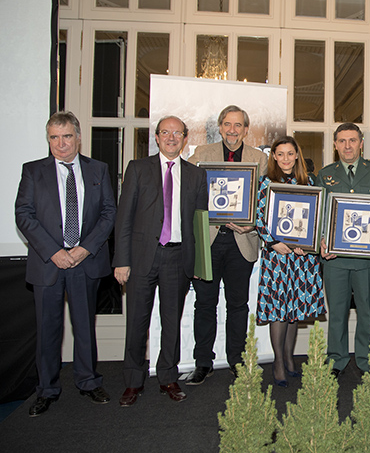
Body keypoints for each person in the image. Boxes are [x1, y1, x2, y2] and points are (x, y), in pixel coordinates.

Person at [15, 111, 116, 416]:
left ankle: (88, 381)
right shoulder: (33, 171)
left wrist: (84, 249)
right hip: (49, 263)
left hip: (85, 261)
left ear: (78, 137)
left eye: (67, 136)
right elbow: (24, 215)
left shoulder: (98, 169)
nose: (60, 144)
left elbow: (108, 213)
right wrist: (54, 252)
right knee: (48, 330)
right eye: (54, 138)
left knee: (85, 326)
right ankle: (46, 389)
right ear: (48, 140)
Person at [114, 115, 208, 406]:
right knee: (137, 322)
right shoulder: (138, 169)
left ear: (185, 138)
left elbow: (200, 223)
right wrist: (121, 260)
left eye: (177, 133)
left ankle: (168, 377)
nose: (171, 138)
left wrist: (199, 265)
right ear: (156, 137)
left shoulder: (195, 175)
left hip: (178, 257)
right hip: (142, 258)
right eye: (165, 132)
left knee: (172, 321)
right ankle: (133, 381)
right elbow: (124, 218)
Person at [186, 105, 268, 384]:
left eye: (238, 125)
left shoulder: (260, 159)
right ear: (220, 127)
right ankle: (203, 362)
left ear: (246, 130)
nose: (232, 130)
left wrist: (253, 222)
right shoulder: (201, 156)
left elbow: (267, 203)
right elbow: (192, 196)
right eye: (227, 124)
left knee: (238, 304)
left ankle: (237, 359)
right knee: (205, 303)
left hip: (241, 242)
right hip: (209, 241)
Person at [316, 122, 370, 377]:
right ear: (335, 145)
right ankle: (335, 360)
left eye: (352, 140)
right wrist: (322, 241)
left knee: (367, 312)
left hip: (367, 258)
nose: (347, 146)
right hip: (335, 258)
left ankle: (366, 359)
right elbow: (321, 214)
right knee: (337, 312)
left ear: (361, 143)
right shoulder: (325, 173)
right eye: (342, 141)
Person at [254, 136, 326, 386]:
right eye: (280, 154)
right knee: (279, 311)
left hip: (302, 258)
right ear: (273, 156)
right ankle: (277, 363)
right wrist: (274, 242)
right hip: (277, 257)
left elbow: (317, 217)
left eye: (290, 153)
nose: (285, 158)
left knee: (294, 310)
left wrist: (309, 244)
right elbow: (258, 218)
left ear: (297, 155)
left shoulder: (310, 182)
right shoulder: (265, 183)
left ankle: (289, 357)